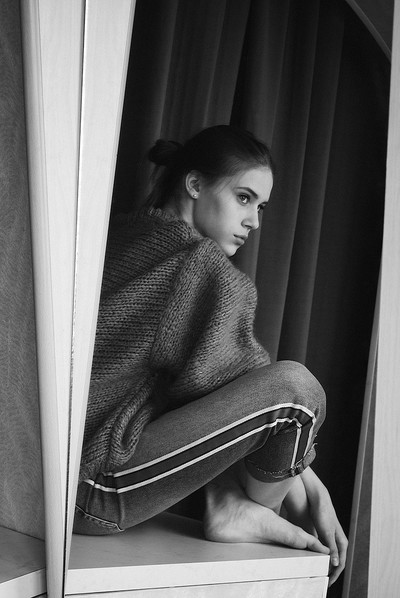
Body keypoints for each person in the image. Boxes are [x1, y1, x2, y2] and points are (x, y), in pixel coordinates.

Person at [74, 125, 347, 586]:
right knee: (300, 392)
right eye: (243, 198)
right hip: (92, 490)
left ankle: (228, 502)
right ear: (195, 184)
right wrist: (309, 480)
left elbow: (213, 397)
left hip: (41, 481)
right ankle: (244, 509)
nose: (254, 221)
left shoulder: (115, 234)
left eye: (261, 207)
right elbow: (256, 396)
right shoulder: (196, 265)